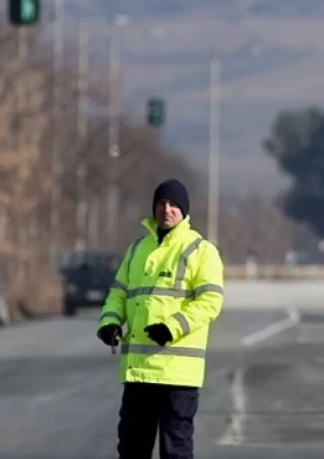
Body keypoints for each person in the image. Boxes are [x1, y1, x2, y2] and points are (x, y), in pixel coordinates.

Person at [96, 178, 225, 459]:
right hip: (139, 373)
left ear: (184, 210)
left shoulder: (201, 251)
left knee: (175, 452)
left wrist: (171, 328)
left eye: (173, 204)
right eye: (161, 203)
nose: (167, 209)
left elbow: (211, 301)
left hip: (177, 375)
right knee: (131, 450)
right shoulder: (137, 249)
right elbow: (118, 292)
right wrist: (109, 322)